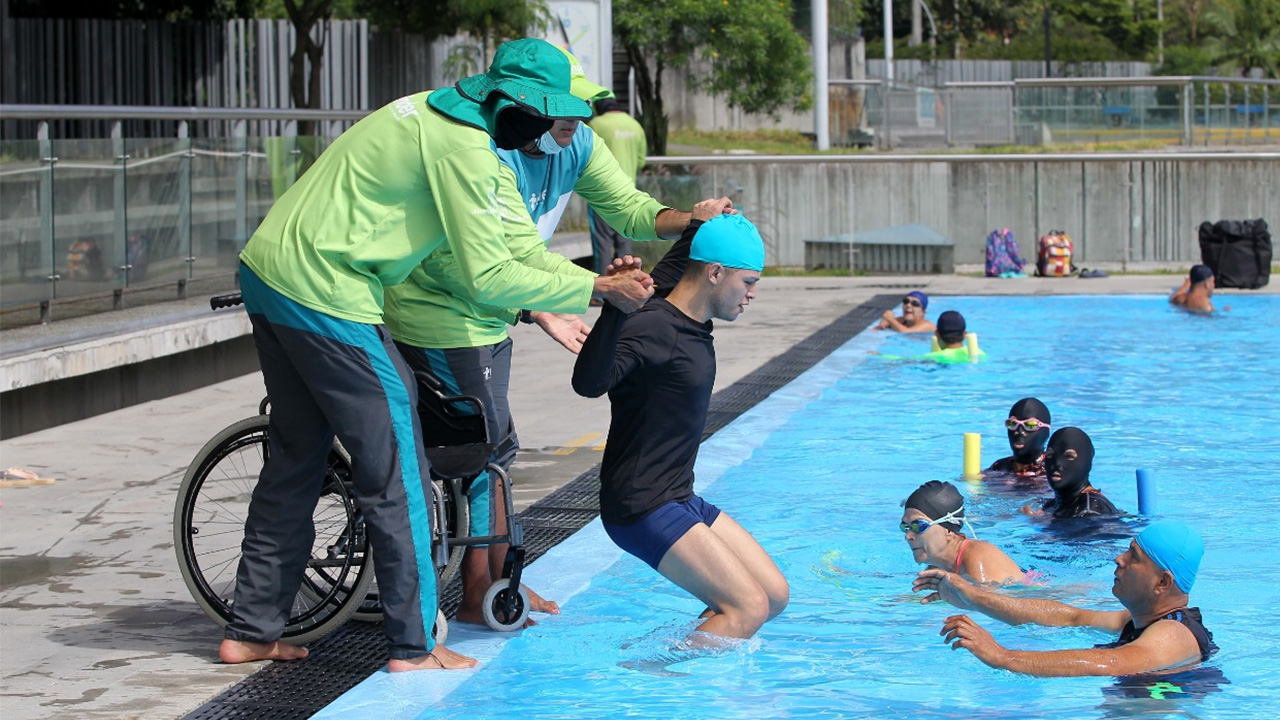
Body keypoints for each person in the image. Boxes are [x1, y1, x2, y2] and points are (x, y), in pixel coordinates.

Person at [223, 38, 654, 672]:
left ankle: (252, 629)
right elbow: (489, 274)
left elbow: (516, 249)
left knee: (295, 456)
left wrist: (583, 284)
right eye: (546, 116)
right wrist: (596, 289)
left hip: (269, 269)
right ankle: (414, 643)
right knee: (398, 467)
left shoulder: (430, 109)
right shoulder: (467, 149)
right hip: (329, 291)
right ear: (513, 104)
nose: (551, 130)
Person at [385, 48, 699, 628]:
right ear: (527, 109)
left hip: (492, 307)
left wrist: (692, 219)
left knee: (496, 451)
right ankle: (480, 591)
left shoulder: (577, 143)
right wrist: (574, 294)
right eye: (561, 114)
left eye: (580, 113)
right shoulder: (486, 149)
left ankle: (498, 580)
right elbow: (464, 263)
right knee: (482, 451)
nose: (574, 124)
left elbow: (629, 209)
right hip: (438, 308)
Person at [572, 201, 789, 642]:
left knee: (773, 596)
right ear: (715, 274)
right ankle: (652, 674)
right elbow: (589, 383)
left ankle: (692, 647)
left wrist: (699, 223)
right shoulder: (652, 326)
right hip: (641, 505)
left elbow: (684, 264)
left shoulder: (681, 300)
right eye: (748, 282)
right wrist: (615, 307)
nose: (751, 294)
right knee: (748, 608)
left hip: (678, 496)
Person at [913, 521, 1216, 677]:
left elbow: (1113, 662)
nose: (1119, 558)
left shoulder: (1174, 633)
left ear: (1162, 583)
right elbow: (1069, 617)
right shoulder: (1139, 621)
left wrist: (1003, 656)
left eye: (1133, 557)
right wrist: (973, 598)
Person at [901, 481, 1024, 584]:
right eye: (905, 527)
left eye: (919, 526)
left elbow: (986, 601)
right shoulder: (938, 565)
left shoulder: (977, 557)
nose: (908, 536)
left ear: (949, 530)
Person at [587, 95, 649, 276]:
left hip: (600, 194)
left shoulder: (596, 124)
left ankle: (601, 287)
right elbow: (641, 161)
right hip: (629, 195)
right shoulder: (635, 125)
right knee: (625, 244)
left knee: (602, 244)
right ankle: (626, 281)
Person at [1024, 427, 1120, 519]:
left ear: (1086, 463)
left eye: (1069, 456)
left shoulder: (1091, 510)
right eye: (1050, 455)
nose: (1057, 463)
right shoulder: (1052, 505)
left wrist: (1037, 522)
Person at [986, 398, 1051, 481]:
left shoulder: (1053, 470)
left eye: (1030, 425)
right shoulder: (999, 467)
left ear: (1046, 432)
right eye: (1012, 424)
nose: (1019, 432)